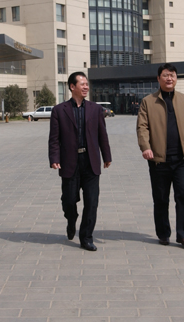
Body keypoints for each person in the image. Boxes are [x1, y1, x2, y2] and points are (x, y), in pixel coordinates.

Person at [136, 63, 184, 249]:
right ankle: (163, 234)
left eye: (172, 75)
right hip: (159, 161)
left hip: (182, 160)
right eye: (165, 75)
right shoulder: (148, 102)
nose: (169, 78)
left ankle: (183, 235)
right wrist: (145, 147)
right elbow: (142, 127)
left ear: (176, 78)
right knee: (161, 199)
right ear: (158, 79)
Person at [48, 72, 112, 251]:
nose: (86, 87)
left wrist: (106, 156)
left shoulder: (95, 109)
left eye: (87, 84)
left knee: (92, 202)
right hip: (70, 162)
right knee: (69, 200)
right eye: (82, 84)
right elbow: (54, 138)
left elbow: (102, 134)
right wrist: (54, 158)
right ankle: (71, 219)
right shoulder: (59, 110)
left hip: (91, 161)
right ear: (72, 86)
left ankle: (86, 237)